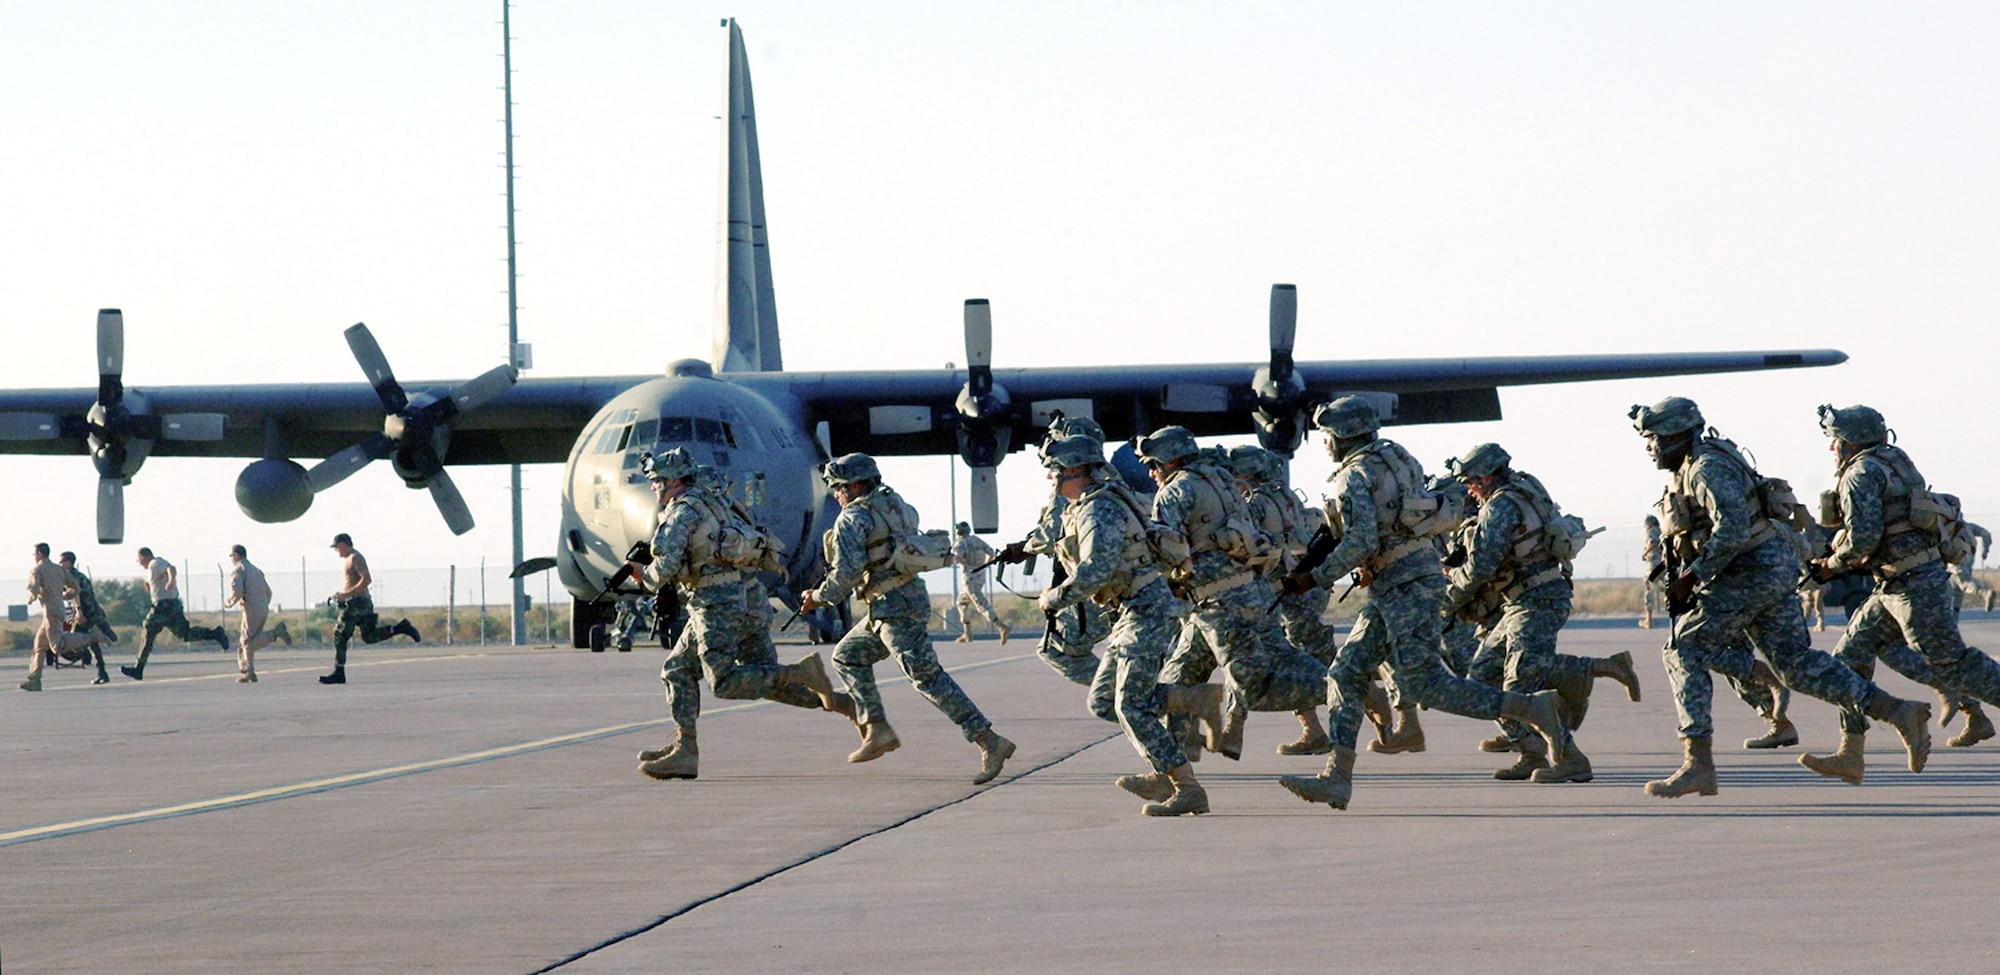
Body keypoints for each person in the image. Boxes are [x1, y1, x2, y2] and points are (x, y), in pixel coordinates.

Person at [1276, 397, 1570, 811]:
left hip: (1406, 587)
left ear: (1342, 436)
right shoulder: (1398, 457)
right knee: (1344, 672)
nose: (1323, 443)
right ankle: (1337, 778)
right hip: (1399, 584)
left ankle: (1532, 708)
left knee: (1428, 684)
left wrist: (1316, 577)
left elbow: (1361, 539)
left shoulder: (1354, 475)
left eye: (1326, 436)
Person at [1628, 397, 1928, 797]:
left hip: (1750, 573)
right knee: (1796, 666)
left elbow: (1732, 528)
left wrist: (1692, 576)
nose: (1649, 448)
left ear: (1675, 435)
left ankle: (1697, 762)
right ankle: (1898, 711)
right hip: (1768, 570)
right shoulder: (1701, 463)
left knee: (1683, 649)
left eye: (1653, 439)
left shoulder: (1706, 468)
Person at [1804, 404, 2000, 782]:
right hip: (1898, 583)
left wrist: (1832, 565)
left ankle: (1967, 716)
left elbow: (1864, 537)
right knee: (1847, 658)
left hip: (1913, 586)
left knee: (1954, 664)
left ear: (1848, 442)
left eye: (1834, 440)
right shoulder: (1894, 460)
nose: (1831, 448)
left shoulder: (1860, 472)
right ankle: (1851, 752)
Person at [631, 452, 855, 779]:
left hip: (714, 604)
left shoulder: (681, 512)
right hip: (736, 601)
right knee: (679, 669)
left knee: (723, 682)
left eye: (657, 481)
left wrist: (645, 577)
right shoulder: (715, 505)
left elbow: (665, 565)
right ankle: (686, 750)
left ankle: (801, 673)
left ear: (674, 481)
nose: (654, 488)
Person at [801, 453, 1015, 784]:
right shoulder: (895, 505)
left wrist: (816, 597)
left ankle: (990, 742)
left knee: (928, 679)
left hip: (892, 607)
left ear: (855, 485)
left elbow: (846, 574)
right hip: (899, 600)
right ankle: (877, 730)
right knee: (847, 656)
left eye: (839, 489)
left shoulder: (853, 518)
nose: (836, 496)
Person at [1039, 433, 1214, 815]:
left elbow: (1095, 571)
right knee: (1104, 701)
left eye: (1052, 471)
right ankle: (1195, 700)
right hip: (1128, 614)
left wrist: (1054, 597)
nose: (1049, 479)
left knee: (1131, 705)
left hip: (1146, 611)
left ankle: (1186, 788)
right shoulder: (1087, 505)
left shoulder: (1098, 509)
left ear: (1072, 469)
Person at [319, 533, 420, 685]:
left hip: (358, 603)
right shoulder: (349, 558)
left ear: (345, 544)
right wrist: (341, 595)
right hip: (362, 602)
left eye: (337, 547)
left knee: (339, 634)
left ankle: (339, 672)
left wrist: (347, 595)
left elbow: (366, 579)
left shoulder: (355, 557)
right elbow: (354, 582)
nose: (336, 550)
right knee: (369, 636)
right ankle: (400, 628)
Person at [120, 546, 229, 681]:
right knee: (185, 634)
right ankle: (215, 633)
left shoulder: (155, 563)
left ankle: (139, 668)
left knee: (148, 631)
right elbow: (160, 580)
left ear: (143, 556)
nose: (138, 562)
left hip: (162, 607)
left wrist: (171, 581)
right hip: (172, 605)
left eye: (139, 559)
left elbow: (171, 569)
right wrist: (151, 586)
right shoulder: (152, 568)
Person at [23, 543, 104, 691]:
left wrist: (31, 597)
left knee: (57, 645)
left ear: (40, 554)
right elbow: (75, 586)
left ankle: (91, 637)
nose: (34, 557)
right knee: (39, 645)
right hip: (58, 608)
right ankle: (35, 679)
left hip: (50, 611)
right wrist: (65, 595)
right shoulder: (59, 570)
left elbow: (34, 587)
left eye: (34, 554)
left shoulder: (37, 570)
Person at [224, 544, 291, 683]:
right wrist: (262, 604)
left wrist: (229, 602)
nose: (230, 558)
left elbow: (238, 592)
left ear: (236, 555)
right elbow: (269, 592)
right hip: (262, 607)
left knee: (247, 642)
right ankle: (249, 671)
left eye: (231, 555)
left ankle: (274, 634)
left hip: (251, 609)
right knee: (247, 641)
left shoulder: (238, 570)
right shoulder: (257, 570)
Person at [57, 551, 115, 686]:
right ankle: (102, 672)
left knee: (73, 640)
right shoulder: (81, 575)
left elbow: (75, 594)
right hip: (95, 611)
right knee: (92, 643)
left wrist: (79, 612)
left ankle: (94, 642)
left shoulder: (69, 576)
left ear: (68, 562)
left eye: (62, 561)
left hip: (85, 612)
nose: (60, 564)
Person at [950, 522, 1010, 644]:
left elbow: (957, 558)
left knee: (980, 604)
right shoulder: (977, 540)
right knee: (961, 602)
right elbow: (991, 553)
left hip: (969, 577)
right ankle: (967, 633)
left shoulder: (959, 543)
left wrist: (962, 562)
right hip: (980, 575)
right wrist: (983, 566)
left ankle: (1001, 626)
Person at [1640, 514, 1664, 628]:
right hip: (1663, 564)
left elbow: (1653, 543)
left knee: (1649, 588)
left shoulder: (1652, 532)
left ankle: (1648, 620)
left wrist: (1644, 553)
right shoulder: (1663, 530)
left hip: (1653, 563)